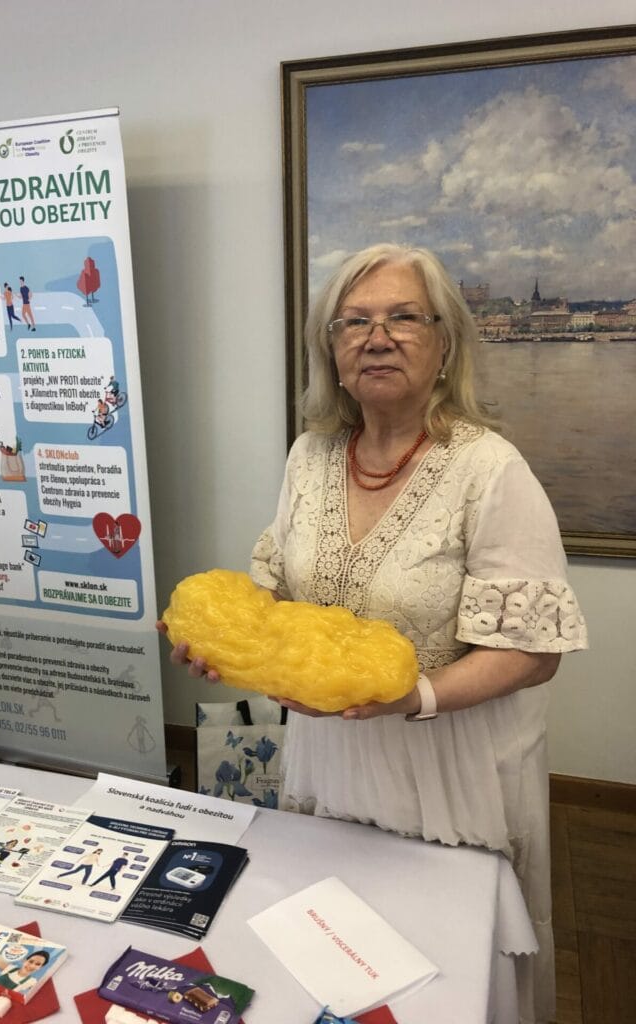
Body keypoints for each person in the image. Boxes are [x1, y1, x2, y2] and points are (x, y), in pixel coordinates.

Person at [159, 243, 588, 1024]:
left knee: (444, 969)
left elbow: (534, 652)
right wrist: (225, 637)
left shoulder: (490, 471)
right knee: (329, 948)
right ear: (331, 348)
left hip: (451, 764)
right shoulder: (311, 458)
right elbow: (278, 593)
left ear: (444, 341)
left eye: (402, 318)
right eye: (352, 321)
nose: (376, 336)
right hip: (332, 751)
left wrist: (411, 697)